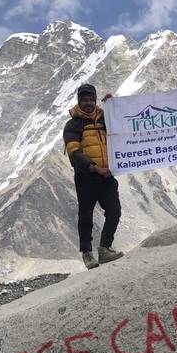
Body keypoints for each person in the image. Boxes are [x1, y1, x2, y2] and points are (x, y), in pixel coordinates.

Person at [63, 84, 123, 270]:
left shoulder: (105, 118)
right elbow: (74, 152)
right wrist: (94, 167)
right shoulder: (73, 124)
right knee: (86, 215)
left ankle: (104, 249)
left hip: (107, 174)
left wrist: (113, 106)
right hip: (86, 176)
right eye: (85, 100)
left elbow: (124, 127)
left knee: (114, 211)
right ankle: (87, 253)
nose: (88, 103)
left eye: (91, 100)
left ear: (95, 100)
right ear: (79, 101)